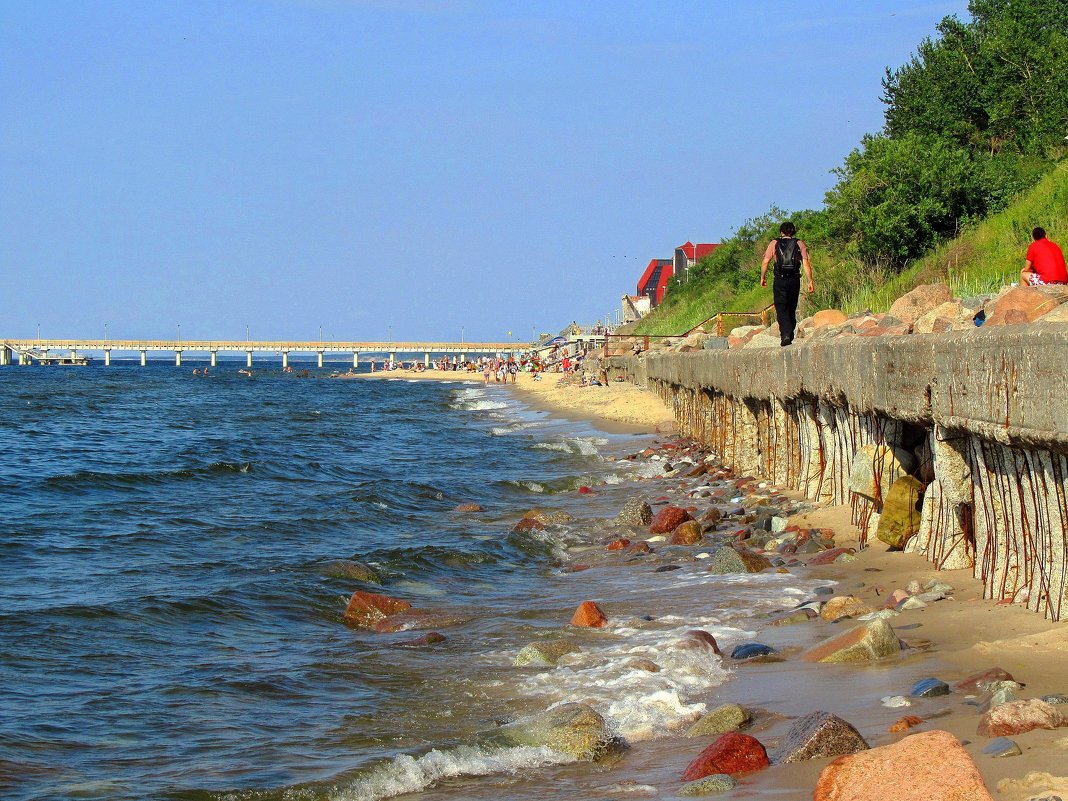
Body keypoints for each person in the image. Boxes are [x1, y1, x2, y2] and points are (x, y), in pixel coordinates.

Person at [761, 221, 814, 346]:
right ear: (793, 231)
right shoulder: (799, 243)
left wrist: (762, 277)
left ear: (781, 231)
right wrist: (810, 281)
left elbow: (765, 261)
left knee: (781, 307)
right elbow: (806, 264)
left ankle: (785, 335)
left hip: (780, 279)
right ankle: (789, 334)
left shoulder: (774, 243)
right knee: (791, 307)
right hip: (794, 280)